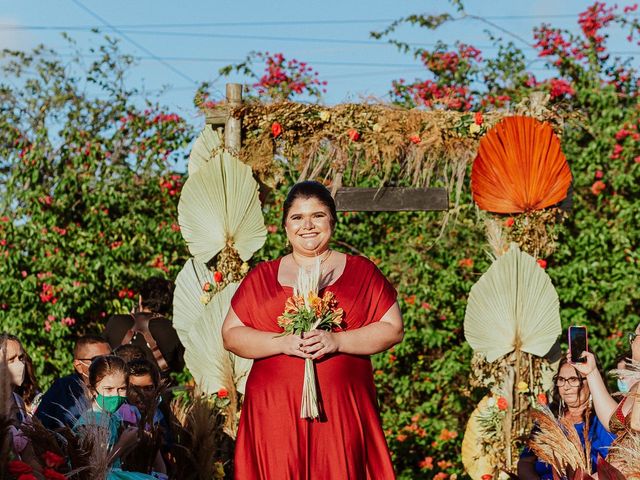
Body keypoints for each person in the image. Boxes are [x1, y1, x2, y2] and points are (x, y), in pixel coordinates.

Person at [222, 181, 404, 479]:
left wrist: (337, 340)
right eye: (297, 217)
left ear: (332, 220)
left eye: (317, 215)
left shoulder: (362, 271)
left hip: (341, 408)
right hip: (275, 411)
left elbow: (393, 328)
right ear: (284, 226)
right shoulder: (261, 276)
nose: (307, 225)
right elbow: (231, 334)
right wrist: (283, 342)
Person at [518, 356, 615, 479]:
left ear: (591, 381)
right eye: (561, 379)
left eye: (574, 379)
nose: (566, 386)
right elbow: (525, 462)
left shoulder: (603, 421)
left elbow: (616, 466)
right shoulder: (550, 419)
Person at [75, 355, 166, 479]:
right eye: (108, 389)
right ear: (92, 390)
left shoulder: (111, 418)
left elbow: (115, 461)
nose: (116, 395)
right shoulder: (91, 422)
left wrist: (131, 443)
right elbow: (91, 471)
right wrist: (123, 444)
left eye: (122, 389)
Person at [105, 277, 184, 377]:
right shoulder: (174, 329)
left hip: (119, 389)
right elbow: (179, 367)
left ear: (140, 299)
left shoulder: (115, 321)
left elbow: (102, 357)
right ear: (169, 304)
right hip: (156, 390)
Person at [35, 334, 111, 430]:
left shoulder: (120, 389)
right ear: (78, 365)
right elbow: (38, 427)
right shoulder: (62, 389)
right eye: (98, 360)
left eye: (110, 358)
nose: (107, 365)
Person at [1, 334, 38, 457]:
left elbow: (29, 457)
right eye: (11, 359)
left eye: (21, 358)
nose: (20, 364)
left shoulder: (18, 401)